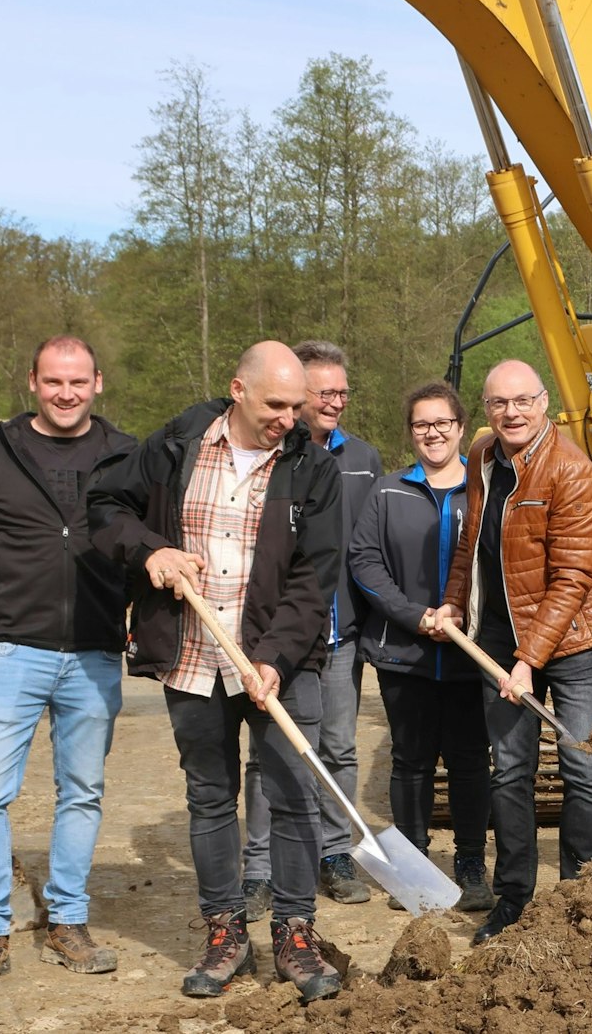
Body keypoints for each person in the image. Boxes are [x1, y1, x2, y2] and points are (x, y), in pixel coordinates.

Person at [88, 340, 344, 1003]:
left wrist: (275, 657)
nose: (289, 418)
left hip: (280, 660)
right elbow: (105, 508)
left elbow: (314, 581)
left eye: (297, 405)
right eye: (275, 404)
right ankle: (225, 931)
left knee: (293, 794)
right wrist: (151, 550)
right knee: (209, 797)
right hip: (194, 655)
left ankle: (295, 933)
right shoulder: (176, 445)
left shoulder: (314, 468)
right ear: (238, 389)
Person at [0, 336, 136, 994]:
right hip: (10, 652)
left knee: (81, 792)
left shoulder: (126, 454)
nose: (66, 393)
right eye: (54, 381)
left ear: (98, 383)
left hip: (94, 653)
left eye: (78, 382)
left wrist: (117, 606)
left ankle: (68, 923)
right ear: (33, 381)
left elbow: (142, 542)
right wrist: (2, 605)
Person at [432, 361, 592, 943]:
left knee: (583, 767)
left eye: (522, 401)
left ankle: (581, 900)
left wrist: (529, 661)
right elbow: (472, 540)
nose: (510, 413)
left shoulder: (573, 472)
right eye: (498, 403)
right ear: (485, 409)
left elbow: (573, 578)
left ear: (544, 403)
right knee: (510, 771)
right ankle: (514, 900)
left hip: (576, 639)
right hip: (500, 636)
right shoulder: (483, 456)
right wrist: (454, 603)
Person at [242, 340, 382, 912]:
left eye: (342, 393)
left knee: (339, 748)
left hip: (339, 634)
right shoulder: (270, 456)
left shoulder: (364, 459)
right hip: (278, 635)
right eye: (324, 393)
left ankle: (334, 853)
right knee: (269, 754)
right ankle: (259, 868)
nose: (335, 403)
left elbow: (371, 546)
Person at [348, 381, 491, 912]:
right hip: (402, 653)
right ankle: (413, 868)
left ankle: (471, 865)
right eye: (421, 424)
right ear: (410, 432)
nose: (432, 433)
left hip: (470, 653)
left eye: (442, 423)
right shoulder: (387, 493)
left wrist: (461, 617)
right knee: (410, 762)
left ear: (461, 427)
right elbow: (365, 562)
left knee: (470, 761)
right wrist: (415, 616)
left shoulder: (485, 491)